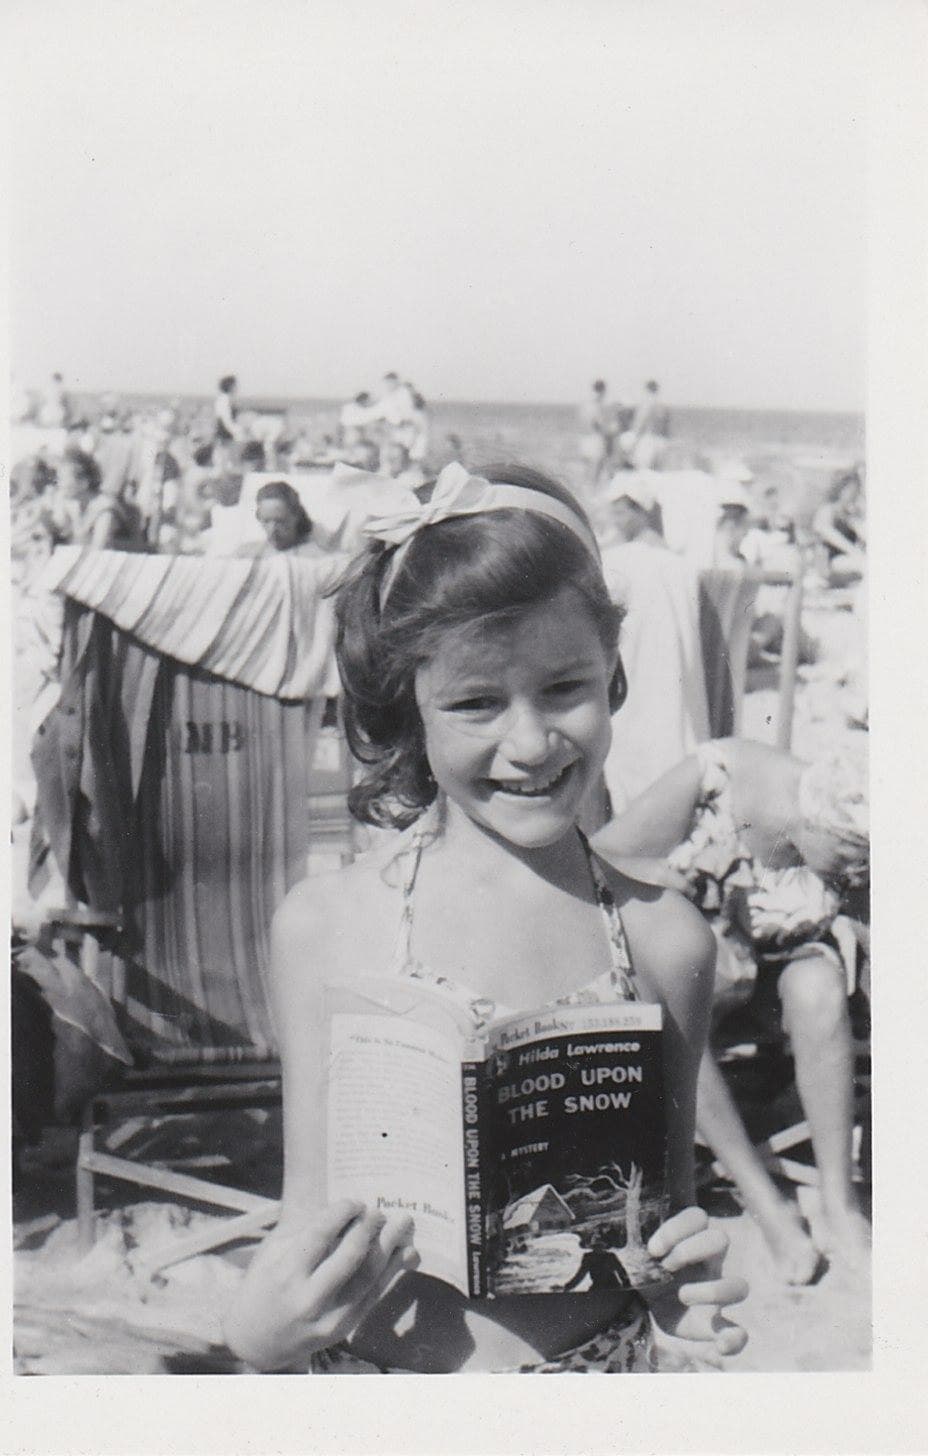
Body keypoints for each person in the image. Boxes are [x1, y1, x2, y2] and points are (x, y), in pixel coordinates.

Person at [224, 462, 747, 1373]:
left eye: (565, 687)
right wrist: (258, 1334)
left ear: (614, 675)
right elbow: (307, 1217)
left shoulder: (665, 937)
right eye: (475, 703)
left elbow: (658, 1224)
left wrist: (679, 1294)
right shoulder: (325, 925)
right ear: (407, 708)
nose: (532, 743)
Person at [592, 735, 870, 1283]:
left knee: (818, 984)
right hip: (696, 973)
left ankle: (840, 1204)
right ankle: (768, 1205)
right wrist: (672, 888)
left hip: (775, 968)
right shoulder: (717, 779)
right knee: (679, 1014)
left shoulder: (853, 830)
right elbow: (595, 857)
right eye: (850, 859)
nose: (857, 876)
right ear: (814, 825)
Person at [597, 474, 709, 816]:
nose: (615, 520)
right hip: (662, 665)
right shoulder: (679, 565)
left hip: (641, 661)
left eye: (620, 512)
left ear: (639, 512)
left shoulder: (619, 561)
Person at [236, 479, 322, 557]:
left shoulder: (316, 557)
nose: (272, 529)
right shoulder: (244, 554)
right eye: (266, 521)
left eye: (280, 521)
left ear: (296, 517)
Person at [578, 379, 617, 487]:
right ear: (603, 390)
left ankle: (584, 493)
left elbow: (584, 424)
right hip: (596, 441)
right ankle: (592, 494)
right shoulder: (597, 405)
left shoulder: (585, 405)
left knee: (586, 474)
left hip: (584, 440)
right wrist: (613, 429)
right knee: (595, 476)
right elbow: (600, 425)